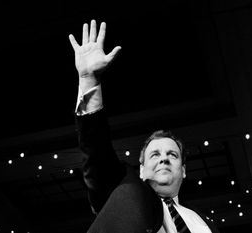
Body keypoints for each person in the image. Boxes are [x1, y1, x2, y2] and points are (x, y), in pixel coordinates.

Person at [68, 20, 220, 233]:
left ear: (184, 170)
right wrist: (88, 81)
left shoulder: (203, 220)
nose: (164, 158)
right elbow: (97, 156)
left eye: (173, 155)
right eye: (155, 154)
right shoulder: (126, 191)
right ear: (141, 170)